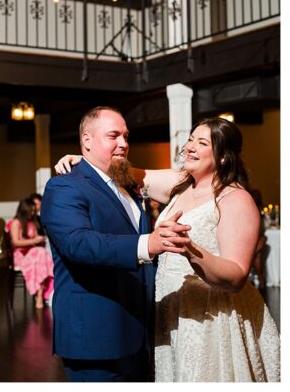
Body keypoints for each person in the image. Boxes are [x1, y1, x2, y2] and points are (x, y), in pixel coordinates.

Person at [54, 116, 280, 381]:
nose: (190, 147)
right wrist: (86, 159)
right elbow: (129, 172)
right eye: (191, 139)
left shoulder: (235, 198)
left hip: (212, 315)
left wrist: (190, 251)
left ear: (222, 157)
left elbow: (238, 275)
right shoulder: (180, 184)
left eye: (202, 142)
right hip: (173, 313)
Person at [42, 106, 191, 382]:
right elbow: (78, 243)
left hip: (139, 332)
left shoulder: (129, 186)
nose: (123, 143)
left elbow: (187, 181)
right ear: (87, 140)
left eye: (126, 136)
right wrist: (149, 243)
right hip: (96, 337)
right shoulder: (64, 187)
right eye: (113, 136)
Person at [8, 198, 54, 309]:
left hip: (33, 252)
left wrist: (39, 239)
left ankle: (42, 292)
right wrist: (34, 241)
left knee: (43, 255)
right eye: (31, 211)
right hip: (20, 254)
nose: (33, 213)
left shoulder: (32, 223)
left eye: (34, 211)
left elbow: (35, 238)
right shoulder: (16, 222)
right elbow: (15, 242)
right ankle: (40, 295)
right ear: (24, 210)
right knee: (41, 254)